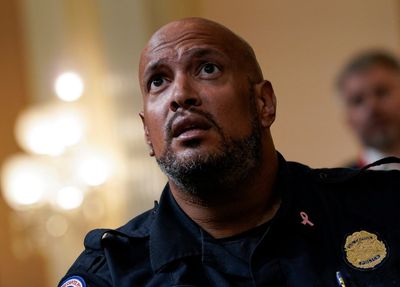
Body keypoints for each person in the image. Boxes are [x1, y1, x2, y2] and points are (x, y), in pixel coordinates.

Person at [59, 18, 400, 287]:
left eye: (208, 68)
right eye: (158, 81)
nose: (180, 94)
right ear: (147, 132)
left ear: (263, 102)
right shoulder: (110, 275)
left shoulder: (380, 207)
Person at [336, 51, 400, 169]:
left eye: (382, 92)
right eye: (358, 100)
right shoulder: (342, 184)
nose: (372, 107)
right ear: (348, 119)